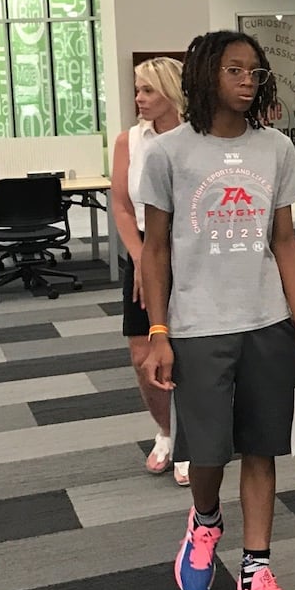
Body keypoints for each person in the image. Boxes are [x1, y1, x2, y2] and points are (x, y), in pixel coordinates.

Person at [138, 30, 295, 590]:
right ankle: (204, 520)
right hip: (196, 327)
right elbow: (156, 249)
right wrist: (159, 331)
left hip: (265, 321)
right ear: (205, 77)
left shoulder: (274, 148)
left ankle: (255, 575)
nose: (248, 81)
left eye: (255, 71)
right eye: (235, 71)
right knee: (207, 452)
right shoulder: (169, 152)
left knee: (262, 446)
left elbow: (285, 241)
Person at [110, 56, 188, 485]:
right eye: (137, 90)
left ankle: (194, 439)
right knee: (143, 355)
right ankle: (167, 432)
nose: (138, 98)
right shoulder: (130, 141)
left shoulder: (197, 138)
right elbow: (121, 204)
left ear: (172, 94)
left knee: (190, 353)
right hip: (143, 250)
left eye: (147, 90)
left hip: (190, 251)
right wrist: (141, 259)